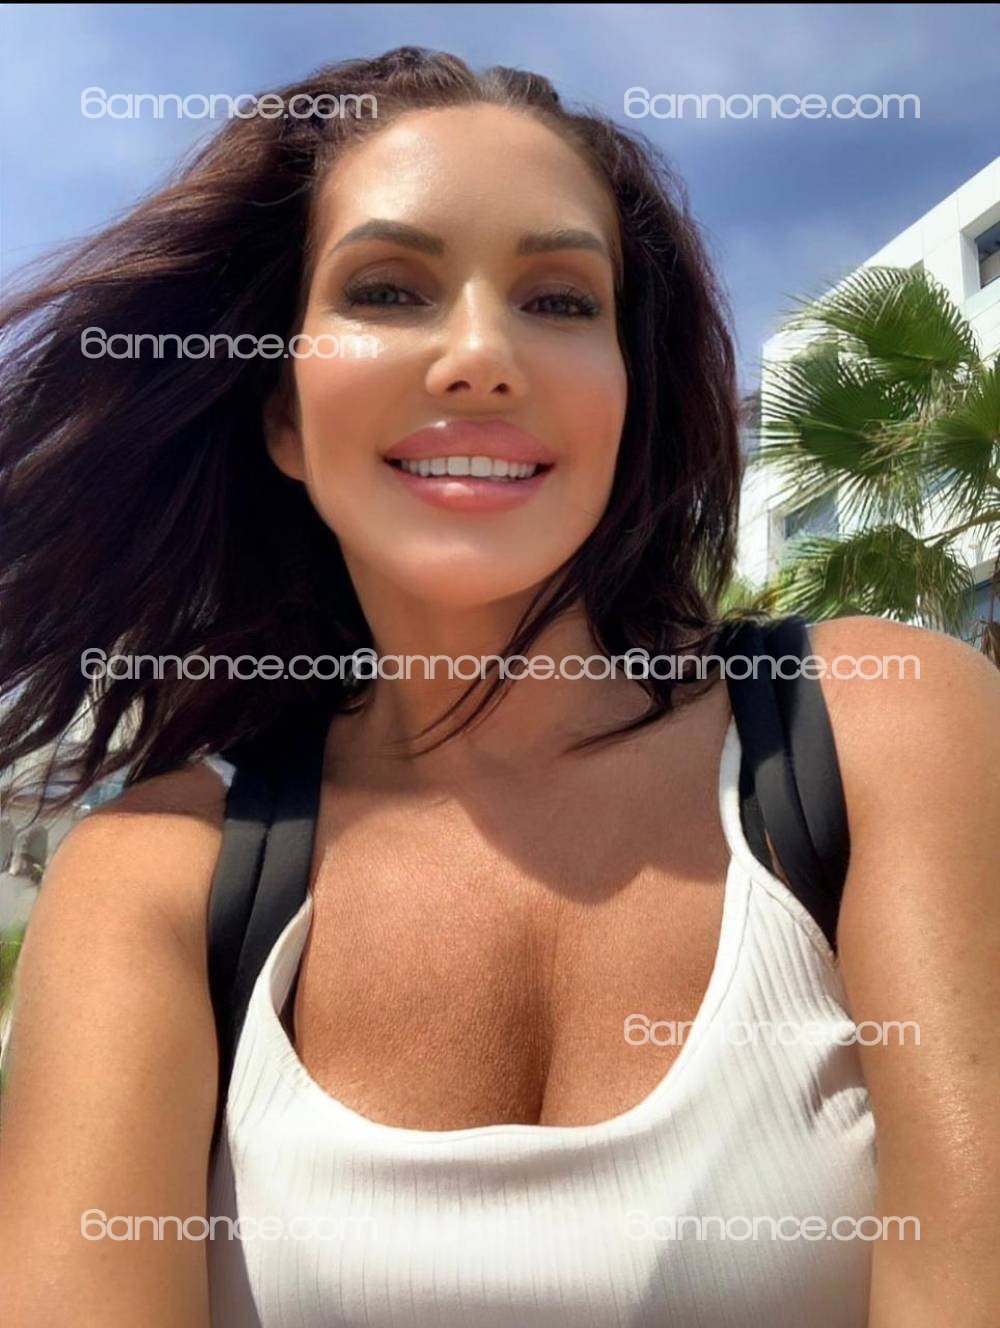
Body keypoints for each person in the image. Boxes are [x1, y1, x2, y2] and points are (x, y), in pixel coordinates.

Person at [0, 46, 997, 1328]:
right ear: (284, 415)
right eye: (387, 289)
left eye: (560, 300)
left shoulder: (880, 731)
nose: (480, 355)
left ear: (627, 400)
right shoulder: (154, 878)